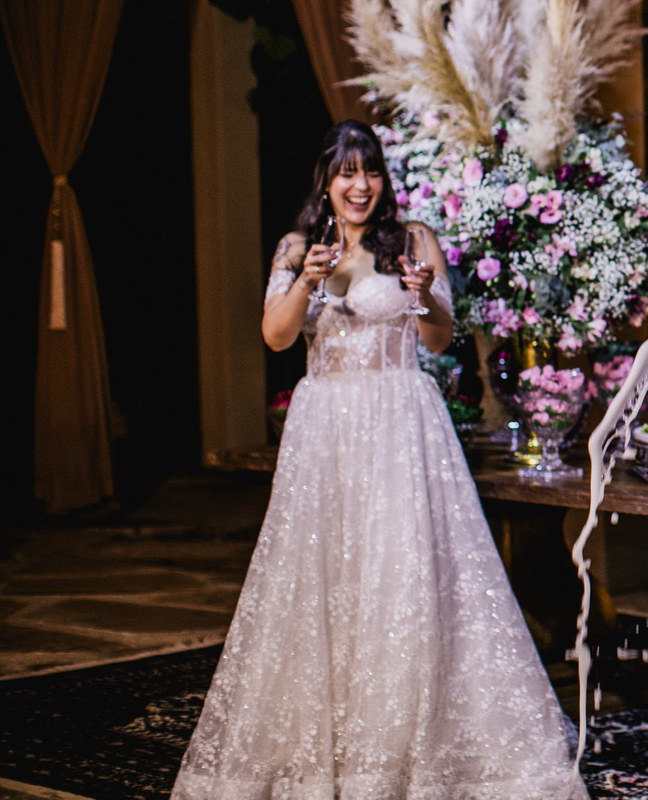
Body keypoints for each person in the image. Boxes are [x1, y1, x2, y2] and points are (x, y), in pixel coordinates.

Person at [172, 120, 588, 800]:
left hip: (402, 420)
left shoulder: (414, 239)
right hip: (326, 426)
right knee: (322, 578)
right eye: (346, 173)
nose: (359, 185)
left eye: (369, 172)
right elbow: (276, 337)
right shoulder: (298, 246)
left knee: (409, 573)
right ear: (327, 182)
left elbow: (441, 338)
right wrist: (307, 281)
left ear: (382, 180)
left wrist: (421, 292)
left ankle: (417, 748)